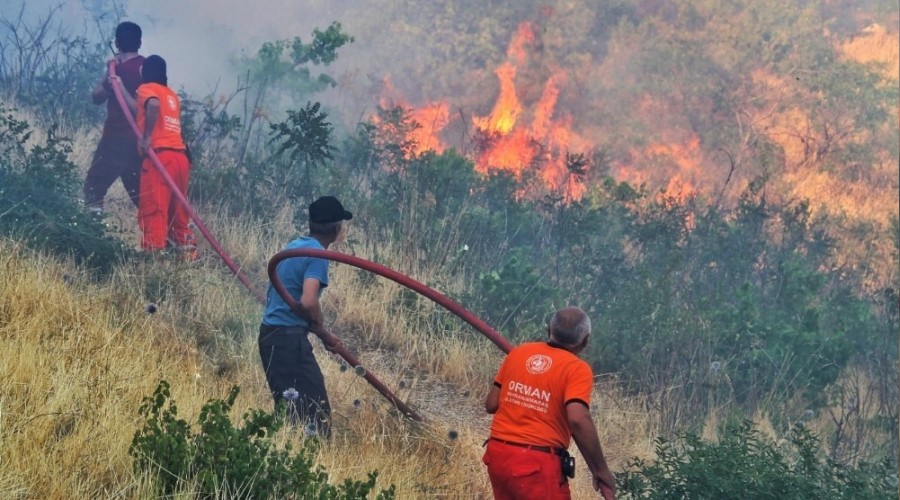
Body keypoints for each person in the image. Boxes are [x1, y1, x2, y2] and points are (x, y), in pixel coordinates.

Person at [483, 306, 616, 500]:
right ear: (585, 341)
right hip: (536, 465)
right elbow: (578, 419)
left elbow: (491, 404)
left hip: (498, 456)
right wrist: (602, 470)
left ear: (549, 331)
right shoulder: (577, 369)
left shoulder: (519, 353)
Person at [258, 196, 353, 436]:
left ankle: (286, 460)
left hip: (271, 337)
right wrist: (321, 328)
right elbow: (308, 300)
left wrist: (320, 333)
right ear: (336, 229)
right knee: (316, 414)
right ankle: (313, 464)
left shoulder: (294, 247)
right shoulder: (318, 256)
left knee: (292, 411)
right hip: (288, 342)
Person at [113, 55, 196, 260]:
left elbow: (151, 105)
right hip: (181, 159)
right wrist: (120, 85)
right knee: (179, 210)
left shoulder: (147, 88)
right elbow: (138, 108)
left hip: (160, 158)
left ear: (145, 72)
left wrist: (146, 137)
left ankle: (155, 262)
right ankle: (185, 257)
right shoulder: (171, 94)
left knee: (154, 208)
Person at [84, 21, 145, 213]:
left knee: (93, 188)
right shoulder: (139, 67)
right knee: (142, 196)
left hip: (116, 138)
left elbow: (95, 98)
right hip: (139, 142)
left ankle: (91, 234)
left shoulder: (130, 68)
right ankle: (169, 238)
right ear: (140, 43)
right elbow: (97, 96)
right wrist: (110, 75)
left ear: (117, 43)